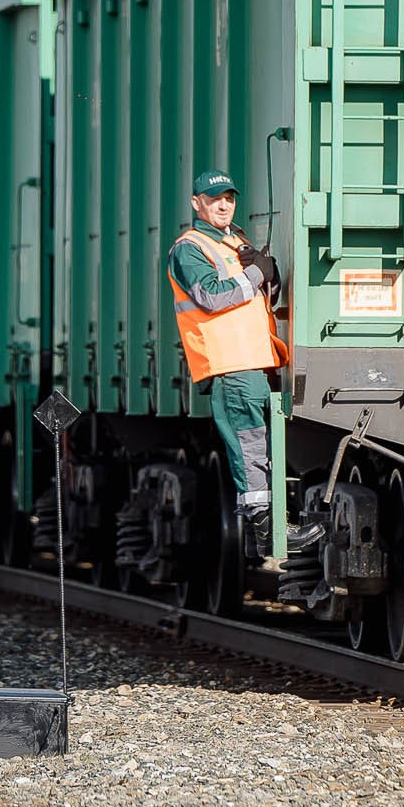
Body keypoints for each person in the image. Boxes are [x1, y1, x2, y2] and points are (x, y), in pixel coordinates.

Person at [167, 169, 285, 555]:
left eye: (229, 198)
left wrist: (267, 273)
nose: (223, 205)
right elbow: (212, 296)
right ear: (196, 203)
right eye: (214, 198)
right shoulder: (189, 247)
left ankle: (264, 534)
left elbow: (256, 291)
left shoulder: (235, 242)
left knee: (258, 446)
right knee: (250, 446)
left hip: (252, 361)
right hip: (230, 363)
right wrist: (256, 272)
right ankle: (267, 533)